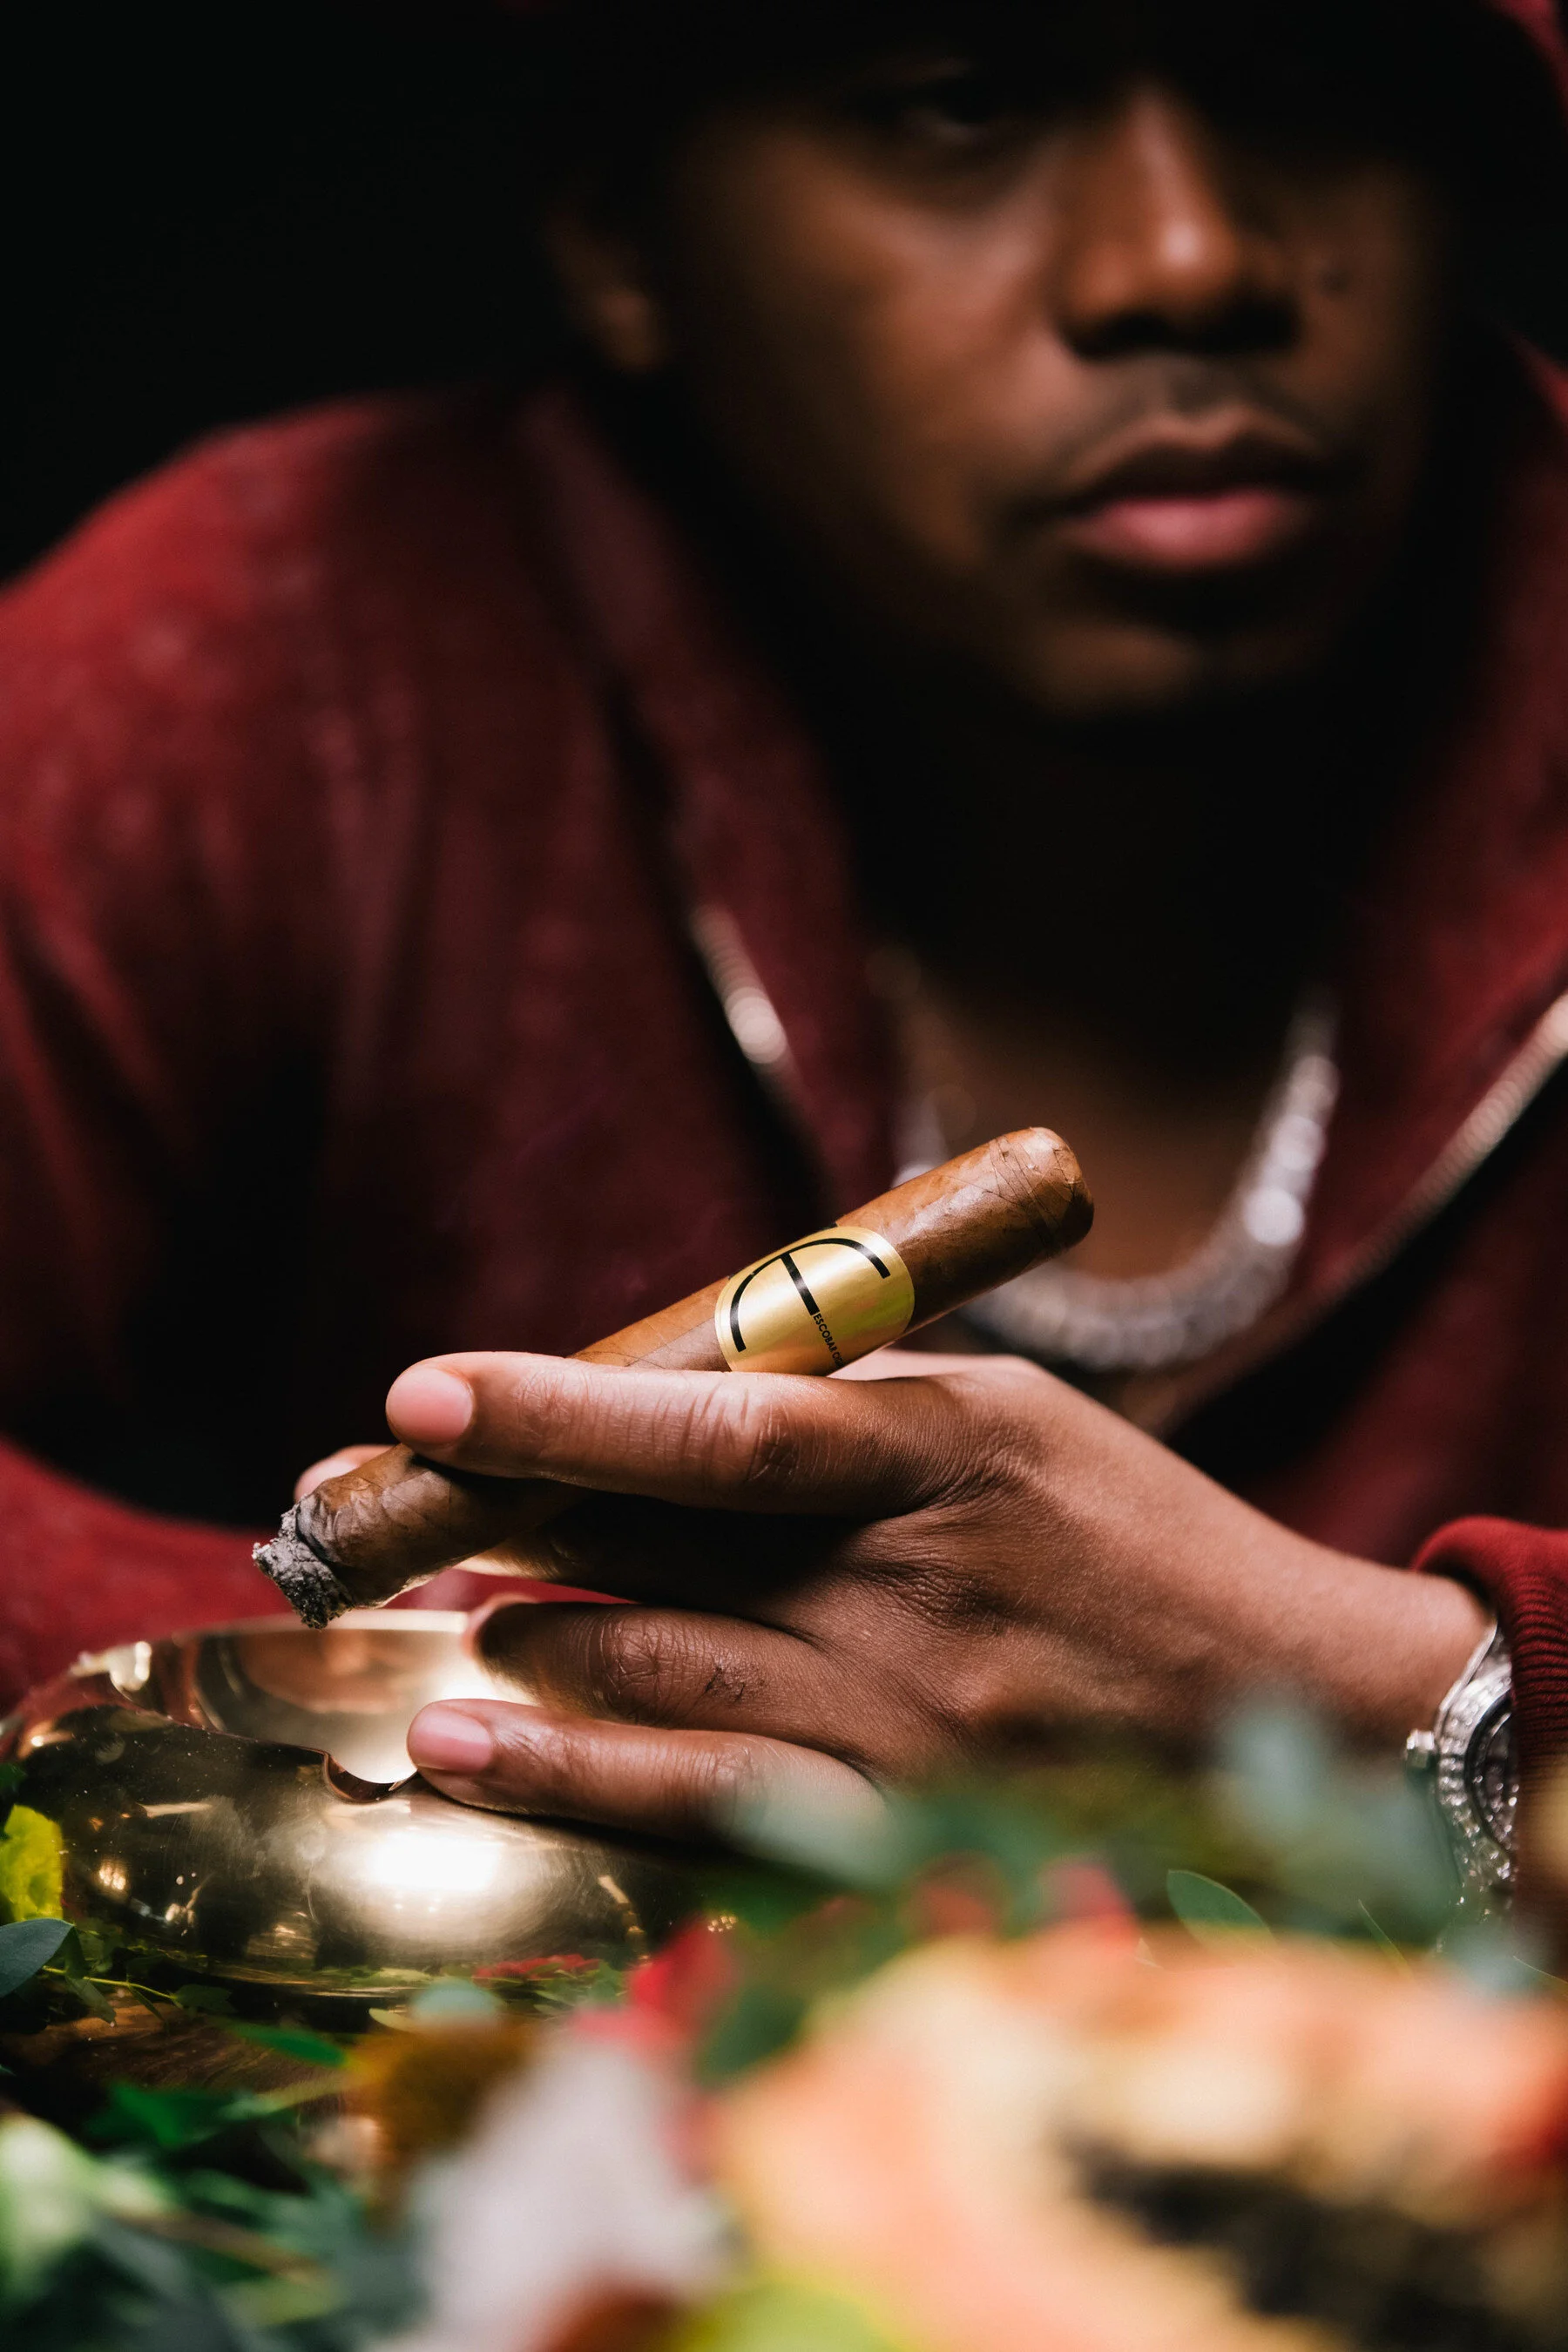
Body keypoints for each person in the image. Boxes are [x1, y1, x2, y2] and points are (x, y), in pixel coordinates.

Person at [2, 0, 1565, 1889]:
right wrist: (422, 1686)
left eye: (1318, 73)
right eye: (962, 99)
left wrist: (1434, 1708)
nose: (1186, 260)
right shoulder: (287, 648)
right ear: (621, 233)